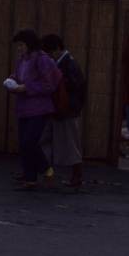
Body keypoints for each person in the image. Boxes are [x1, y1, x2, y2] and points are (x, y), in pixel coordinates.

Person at [4, 29, 61, 190]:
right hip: (24, 107)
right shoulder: (23, 59)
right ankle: (30, 177)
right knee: (24, 143)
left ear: (29, 44)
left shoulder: (42, 60)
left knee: (30, 142)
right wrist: (11, 81)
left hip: (39, 108)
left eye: (21, 45)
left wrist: (25, 88)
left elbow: (49, 84)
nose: (19, 48)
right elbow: (17, 75)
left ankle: (45, 169)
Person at [40, 34, 86, 188]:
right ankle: (72, 175)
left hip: (65, 110)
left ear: (57, 49)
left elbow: (75, 88)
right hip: (64, 109)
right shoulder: (68, 63)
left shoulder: (68, 65)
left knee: (69, 144)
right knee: (65, 142)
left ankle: (76, 176)